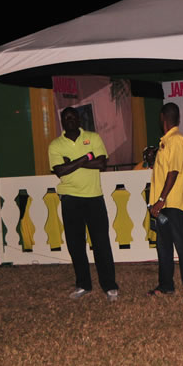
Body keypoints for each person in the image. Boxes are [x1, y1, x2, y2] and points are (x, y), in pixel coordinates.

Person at [48, 107, 119, 301]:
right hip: (70, 198)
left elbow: (101, 164)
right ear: (62, 121)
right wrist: (87, 157)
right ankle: (83, 284)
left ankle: (110, 286)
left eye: (73, 117)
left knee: (101, 243)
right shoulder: (55, 145)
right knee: (75, 244)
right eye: (66, 117)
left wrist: (72, 162)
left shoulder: (93, 137)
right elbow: (60, 171)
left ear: (79, 119)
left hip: (94, 196)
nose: (70, 120)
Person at [147, 103, 183, 301]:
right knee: (163, 246)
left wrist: (161, 200)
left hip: (173, 204)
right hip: (163, 206)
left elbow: (174, 172)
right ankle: (166, 285)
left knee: (182, 246)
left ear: (163, 117)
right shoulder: (166, 141)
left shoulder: (176, 140)